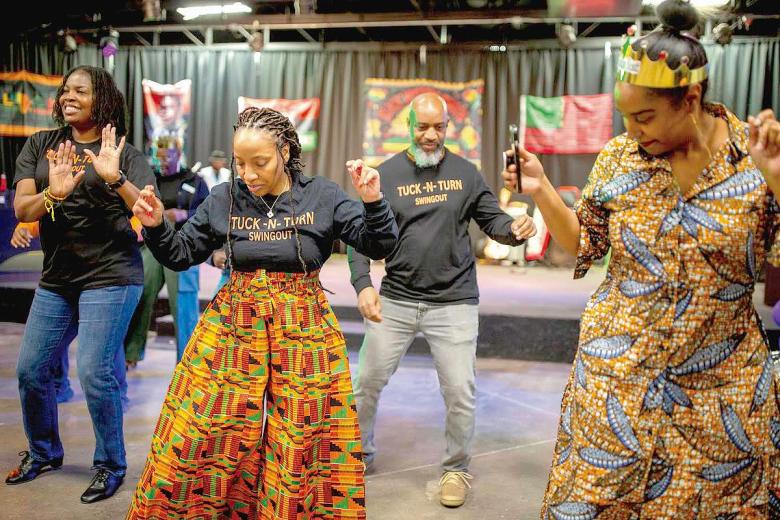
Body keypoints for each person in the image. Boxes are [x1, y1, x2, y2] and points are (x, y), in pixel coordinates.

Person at [500, 1, 780, 516]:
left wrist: (778, 178)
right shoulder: (619, 157)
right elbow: (585, 242)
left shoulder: (755, 158)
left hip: (721, 395)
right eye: (624, 115)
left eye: (644, 116)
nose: (631, 130)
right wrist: (540, 189)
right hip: (616, 383)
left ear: (690, 99)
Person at [126, 106, 397, 519]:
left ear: (285, 152)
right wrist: (157, 225)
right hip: (235, 322)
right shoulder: (225, 197)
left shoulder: (322, 195)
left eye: (260, 162)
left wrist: (373, 201)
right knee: (202, 425)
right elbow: (180, 253)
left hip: (303, 326)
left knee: (301, 436)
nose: (248, 174)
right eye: (240, 163)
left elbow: (378, 244)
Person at [348, 92, 537, 508]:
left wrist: (513, 229)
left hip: (454, 302)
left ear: (448, 127)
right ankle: (358, 455)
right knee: (365, 382)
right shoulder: (386, 174)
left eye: (439, 127)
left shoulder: (466, 173)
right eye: (422, 126)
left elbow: (493, 219)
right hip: (397, 299)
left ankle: (456, 469)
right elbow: (359, 237)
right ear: (409, 125)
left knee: (459, 392)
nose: (431, 135)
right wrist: (363, 285)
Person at [5, 65, 155, 504]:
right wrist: (53, 193)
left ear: (101, 99)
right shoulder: (41, 145)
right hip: (58, 279)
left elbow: (149, 211)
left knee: (93, 370)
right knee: (31, 370)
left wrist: (115, 178)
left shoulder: (124, 153)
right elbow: (23, 210)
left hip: (112, 275)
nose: (69, 97)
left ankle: (110, 464)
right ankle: (43, 452)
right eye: (65, 90)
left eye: (80, 91)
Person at [123, 153, 209, 366]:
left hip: (183, 244)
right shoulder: (150, 178)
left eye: (166, 157)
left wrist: (183, 215)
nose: (162, 161)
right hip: (153, 244)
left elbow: (206, 212)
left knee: (183, 304)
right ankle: (130, 353)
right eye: (158, 156)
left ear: (178, 155)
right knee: (141, 295)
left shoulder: (195, 181)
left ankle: (187, 361)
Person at [10, 222, 74, 403]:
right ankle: (58, 386)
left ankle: (118, 394)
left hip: (102, 279)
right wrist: (23, 229)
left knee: (101, 353)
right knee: (55, 339)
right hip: (61, 279)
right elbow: (37, 214)